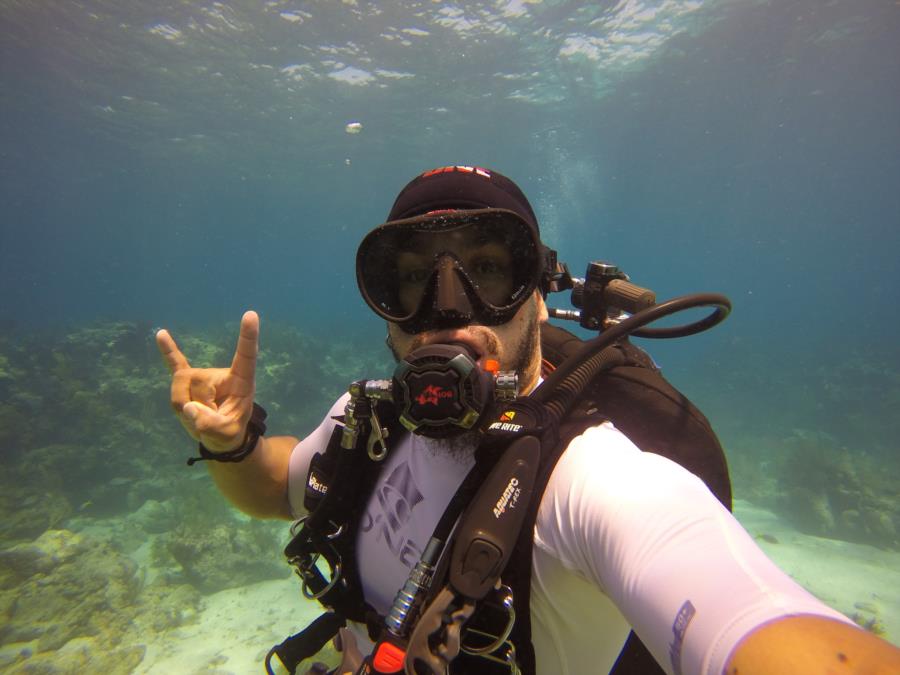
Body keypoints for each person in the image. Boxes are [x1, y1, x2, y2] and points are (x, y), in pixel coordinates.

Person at [157, 166, 900, 675]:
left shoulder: (596, 486)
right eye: (413, 277)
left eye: (486, 269)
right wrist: (233, 439)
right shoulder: (365, 422)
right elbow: (273, 486)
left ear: (540, 295)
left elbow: (761, 625)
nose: (448, 309)